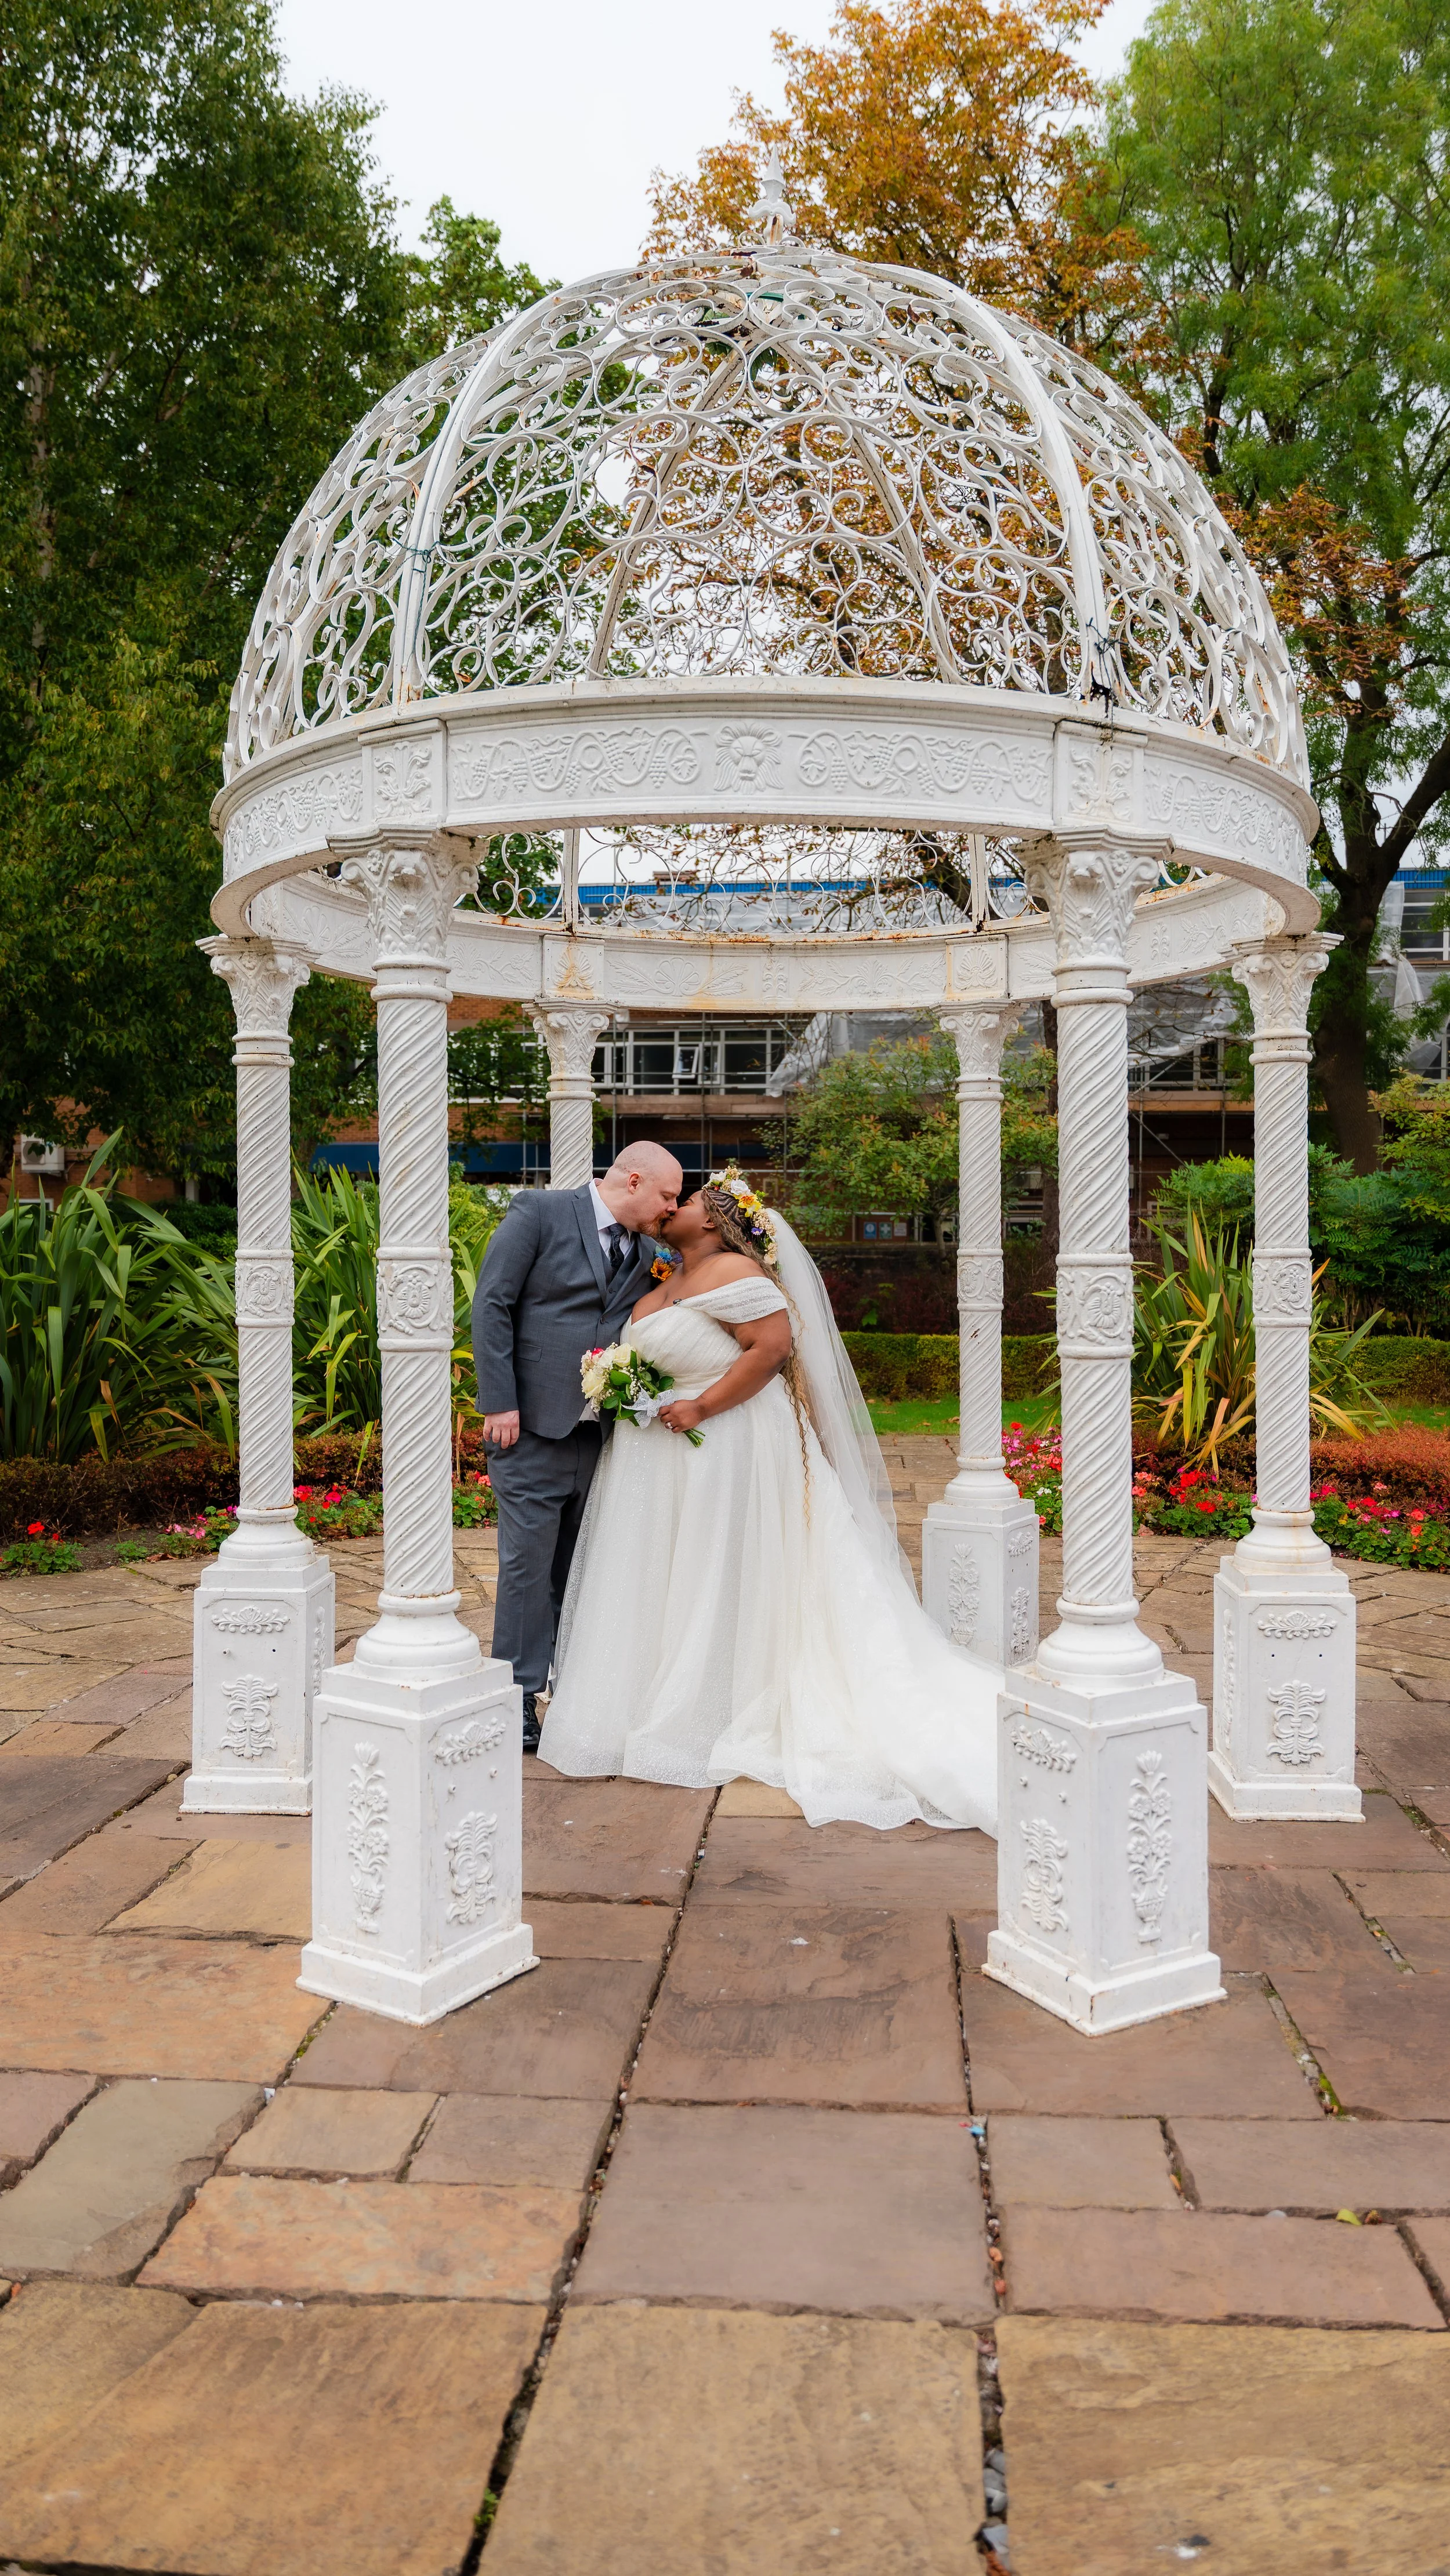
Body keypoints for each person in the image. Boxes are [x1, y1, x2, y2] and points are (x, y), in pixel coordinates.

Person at [538, 1169, 999, 1831]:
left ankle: (711, 1702)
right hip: (658, 1455)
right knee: (668, 1574)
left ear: (717, 1220)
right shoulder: (662, 1278)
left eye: (690, 1198)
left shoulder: (733, 1271)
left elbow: (772, 1348)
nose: (677, 1203)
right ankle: (650, 1697)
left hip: (726, 1441)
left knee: (718, 1568)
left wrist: (699, 1403)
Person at [473, 1140, 682, 1749]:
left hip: (601, 1433)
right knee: (525, 1566)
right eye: (667, 1195)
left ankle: (569, 1690)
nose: (671, 1207)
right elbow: (492, 1303)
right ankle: (513, 1697)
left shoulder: (650, 1251)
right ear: (635, 1180)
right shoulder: (539, 1211)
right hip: (530, 1423)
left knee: (579, 1566)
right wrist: (499, 1400)